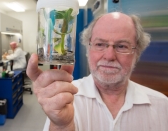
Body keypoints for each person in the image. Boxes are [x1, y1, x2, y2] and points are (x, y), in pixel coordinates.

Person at [27, 12, 168, 131]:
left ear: (137, 52)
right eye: (100, 44)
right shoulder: (64, 98)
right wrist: (62, 126)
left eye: (122, 46)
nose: (109, 56)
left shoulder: (162, 106)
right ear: (88, 49)